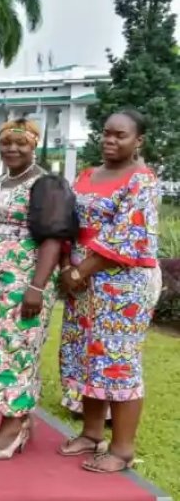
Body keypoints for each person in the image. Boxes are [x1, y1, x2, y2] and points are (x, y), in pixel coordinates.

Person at [58, 110, 161, 473]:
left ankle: (122, 449)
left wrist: (80, 270)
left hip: (121, 286)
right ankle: (91, 433)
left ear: (138, 141)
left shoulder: (142, 180)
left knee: (117, 361)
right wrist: (67, 267)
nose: (110, 140)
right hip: (81, 283)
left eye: (120, 135)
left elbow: (127, 234)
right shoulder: (87, 175)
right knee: (87, 357)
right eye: (106, 133)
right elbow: (68, 220)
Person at [0, 119, 72, 460]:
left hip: (25, 282)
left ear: (34, 145)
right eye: (6, 142)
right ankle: (21, 417)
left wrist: (36, 286)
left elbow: (53, 237)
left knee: (15, 349)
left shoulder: (45, 183)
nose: (12, 149)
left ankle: (12, 423)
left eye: (21, 143)